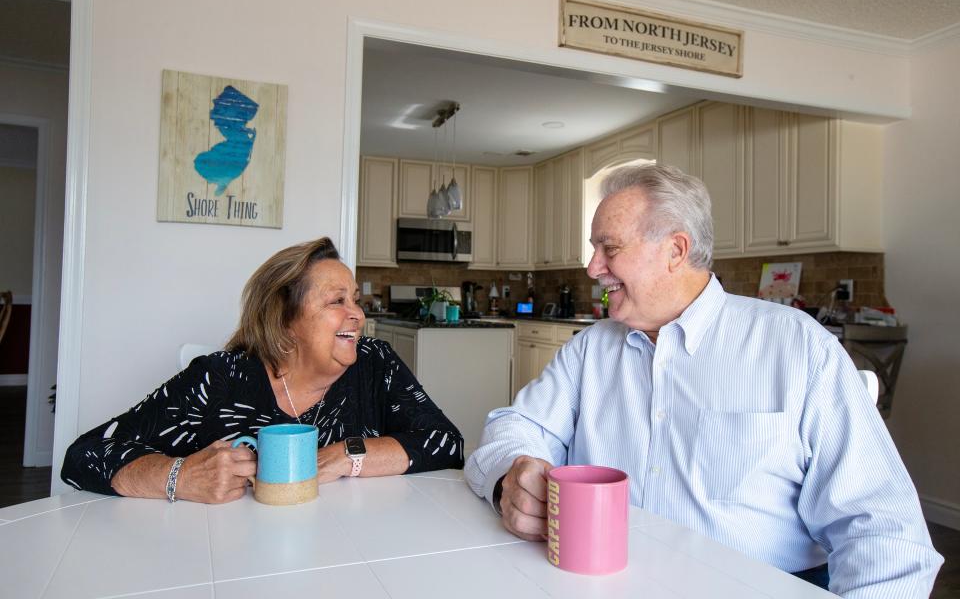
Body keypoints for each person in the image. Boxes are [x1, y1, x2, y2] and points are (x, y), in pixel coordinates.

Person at [465, 164, 942, 597]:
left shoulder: (797, 348)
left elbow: (883, 531)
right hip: (594, 584)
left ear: (676, 250)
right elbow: (513, 426)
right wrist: (513, 473)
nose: (592, 269)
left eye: (609, 248)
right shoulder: (592, 348)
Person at [63, 237, 463, 503]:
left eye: (355, 300)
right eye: (336, 301)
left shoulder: (376, 364)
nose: (356, 314)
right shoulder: (219, 379)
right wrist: (180, 476)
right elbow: (85, 456)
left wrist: (347, 454)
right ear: (285, 318)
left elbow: (446, 444)